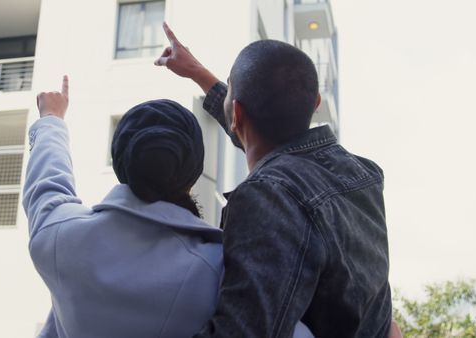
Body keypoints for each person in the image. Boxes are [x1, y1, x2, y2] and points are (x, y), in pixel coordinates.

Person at [22, 76, 315, 337]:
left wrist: (51, 119)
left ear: (120, 162)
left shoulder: (60, 238)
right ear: (193, 172)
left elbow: (47, 183)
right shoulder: (221, 272)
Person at [155, 23, 396, 337]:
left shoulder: (269, 199)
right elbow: (255, 130)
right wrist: (197, 71)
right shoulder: (362, 172)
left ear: (237, 115)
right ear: (316, 104)